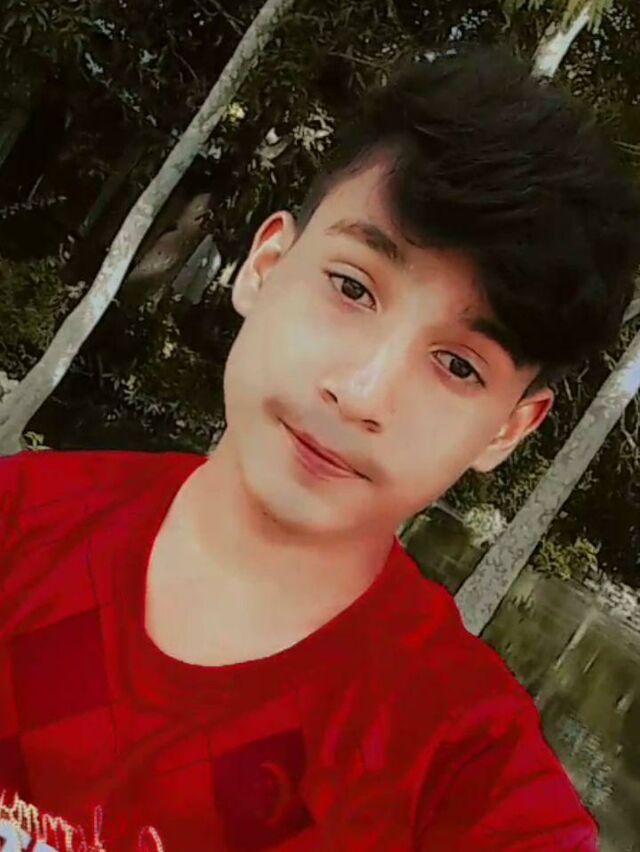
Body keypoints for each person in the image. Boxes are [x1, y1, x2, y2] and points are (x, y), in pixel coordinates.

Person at [1, 45, 638, 852]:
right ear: (266, 266)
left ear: (508, 429)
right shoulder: (20, 523)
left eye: (457, 365)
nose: (363, 393)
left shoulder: (458, 773)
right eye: (352, 287)